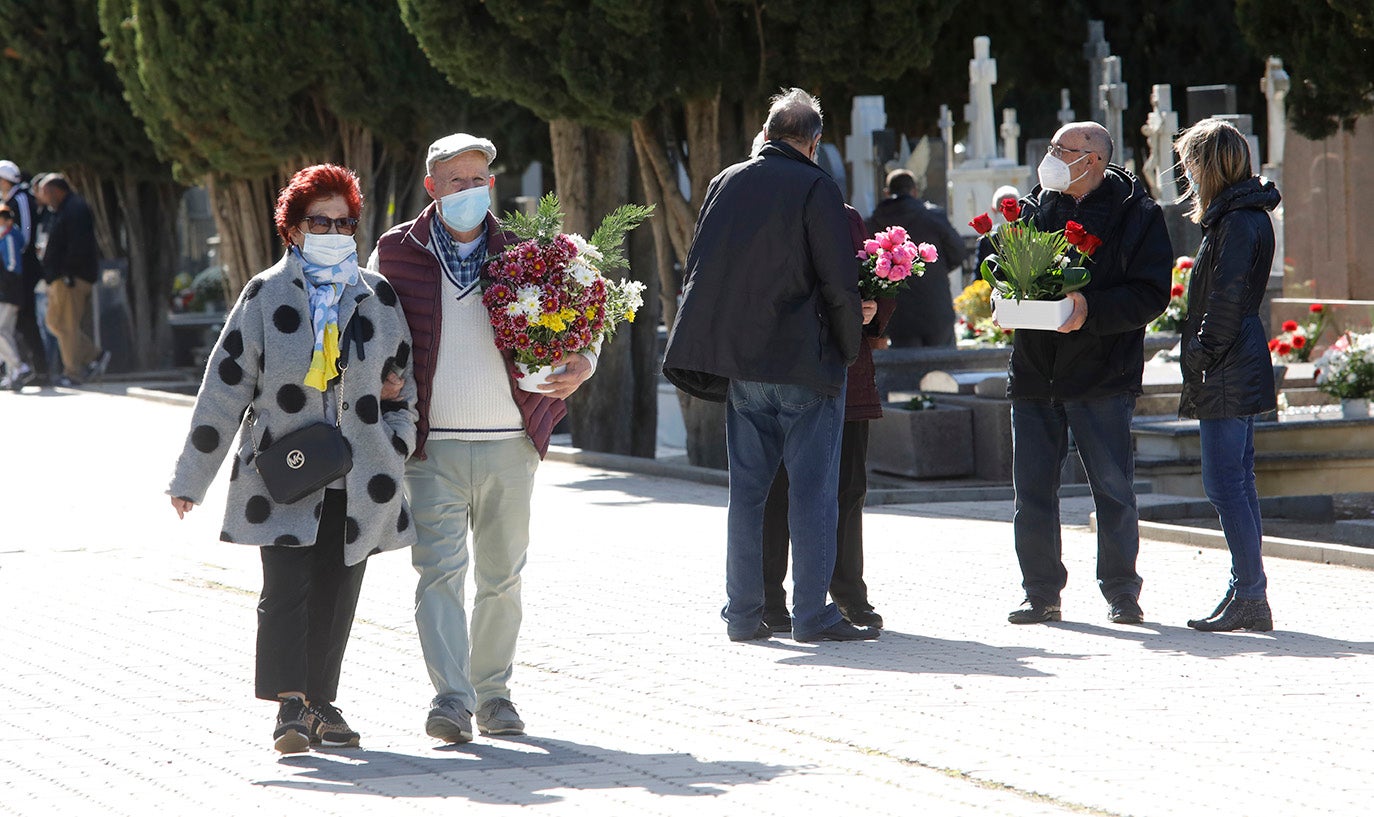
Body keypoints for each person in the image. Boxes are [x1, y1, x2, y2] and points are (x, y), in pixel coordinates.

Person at [167, 164, 418, 753]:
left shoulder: (376, 296)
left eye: (344, 221)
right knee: (286, 591)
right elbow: (224, 389)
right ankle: (290, 709)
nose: (333, 230)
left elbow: (405, 385)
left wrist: (395, 440)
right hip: (283, 474)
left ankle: (323, 704)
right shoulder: (265, 294)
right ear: (294, 227)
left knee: (338, 592)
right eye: (320, 220)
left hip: (360, 478)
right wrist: (190, 479)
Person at [371, 133, 596, 745]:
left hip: (510, 441)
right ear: (431, 188)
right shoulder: (396, 253)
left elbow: (582, 320)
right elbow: (368, 329)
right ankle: (451, 699)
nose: (470, 191)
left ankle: (494, 696)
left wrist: (584, 362)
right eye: (457, 181)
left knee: (502, 577)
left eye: (479, 180)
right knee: (437, 574)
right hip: (432, 445)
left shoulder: (525, 251)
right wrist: (379, 380)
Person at [663, 88, 876, 644]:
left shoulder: (726, 181)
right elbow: (836, 279)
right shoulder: (815, 184)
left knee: (748, 494)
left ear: (766, 131)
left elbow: (701, 269)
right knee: (813, 493)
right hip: (804, 362)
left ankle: (742, 614)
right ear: (815, 141)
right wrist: (849, 347)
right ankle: (812, 615)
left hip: (745, 365)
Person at [1005, 121, 1172, 626]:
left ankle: (1122, 591)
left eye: (1064, 149)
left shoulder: (1137, 215)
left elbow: (1150, 294)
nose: (1052, 155)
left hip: (1101, 375)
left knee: (1112, 488)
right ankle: (1040, 593)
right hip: (1036, 373)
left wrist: (1088, 308)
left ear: (1094, 161)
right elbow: (1001, 269)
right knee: (1032, 492)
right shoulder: (1034, 208)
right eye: (1052, 145)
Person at [762, 205, 892, 633]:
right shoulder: (761, 212)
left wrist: (871, 314)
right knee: (780, 491)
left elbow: (872, 278)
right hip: (787, 373)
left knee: (844, 489)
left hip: (840, 373)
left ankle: (842, 596)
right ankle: (774, 601)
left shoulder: (840, 215)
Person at [1174, 119, 1280, 633]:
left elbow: (1227, 299)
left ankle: (1251, 594)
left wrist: (1198, 353)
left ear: (1211, 165)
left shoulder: (1237, 221)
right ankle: (1246, 590)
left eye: (1192, 163)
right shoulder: (1239, 215)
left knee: (1224, 484)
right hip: (1235, 359)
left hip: (1225, 364)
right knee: (1238, 482)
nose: (1188, 174)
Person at [867, 168, 967, 347]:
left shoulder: (875, 222)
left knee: (906, 371)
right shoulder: (933, 217)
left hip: (899, 313)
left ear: (887, 193)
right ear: (914, 191)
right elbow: (958, 252)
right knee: (942, 369)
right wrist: (934, 268)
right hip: (935, 306)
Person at [35, 174, 107, 386]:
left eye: (46, 192)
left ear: (58, 190)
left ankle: (72, 372)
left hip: (72, 277)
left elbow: (79, 245)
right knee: (54, 322)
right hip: (60, 277)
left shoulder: (75, 208)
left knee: (66, 324)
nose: (44, 197)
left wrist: (67, 272)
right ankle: (95, 355)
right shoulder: (61, 210)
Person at [0, 160, 46, 384]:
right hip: (12, 271)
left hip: (23, 270)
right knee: (14, 323)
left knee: (25, 320)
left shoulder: (20, 199)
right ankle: (19, 369)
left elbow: (26, 235)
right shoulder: (7, 201)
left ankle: (39, 369)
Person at [0, 205, 34, 390]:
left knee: (1, 332)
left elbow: (12, 268)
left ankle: (20, 367)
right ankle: (13, 373)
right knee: (6, 333)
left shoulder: (9, 238)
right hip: (7, 292)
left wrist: (4, 288)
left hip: (9, 293)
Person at [976, 185, 1021, 269]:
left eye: (1010, 208)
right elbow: (979, 269)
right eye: (1001, 208)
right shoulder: (987, 238)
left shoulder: (1025, 234)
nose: (1004, 212)